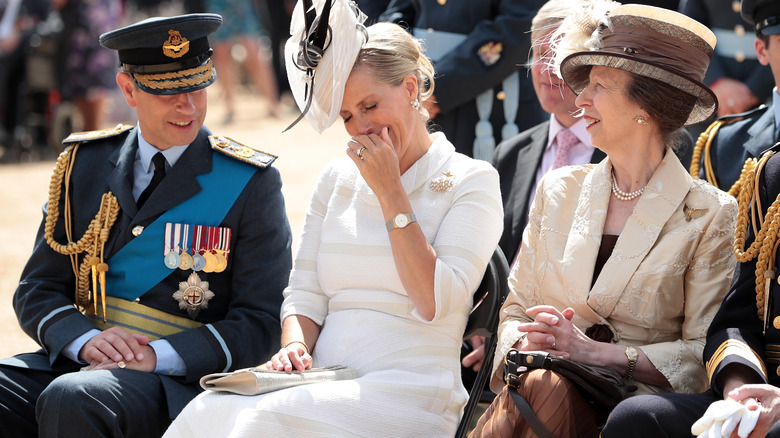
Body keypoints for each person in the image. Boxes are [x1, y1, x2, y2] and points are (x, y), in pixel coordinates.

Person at [162, 2, 504, 436]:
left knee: (261, 424)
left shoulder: (471, 180)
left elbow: (437, 304)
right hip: (323, 378)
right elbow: (305, 292)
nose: (360, 127)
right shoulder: (337, 178)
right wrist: (294, 347)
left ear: (411, 88)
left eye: (371, 105)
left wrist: (390, 194)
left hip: (412, 390)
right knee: (207, 411)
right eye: (346, 116)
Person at [0, 13, 292, 437]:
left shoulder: (250, 181)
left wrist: (160, 355)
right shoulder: (83, 164)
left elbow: (261, 320)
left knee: (74, 397)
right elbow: (38, 289)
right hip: (86, 361)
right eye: (168, 92)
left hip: (180, 381)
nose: (188, 106)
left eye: (197, 85)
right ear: (128, 90)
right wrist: (84, 340)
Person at [468, 2, 739, 437]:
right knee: (544, 383)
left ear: (645, 106)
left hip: (630, 416)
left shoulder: (710, 213)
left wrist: (594, 353)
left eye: (599, 85)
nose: (580, 99)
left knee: (544, 386)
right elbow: (515, 308)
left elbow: (702, 354)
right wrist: (527, 339)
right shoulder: (559, 190)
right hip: (538, 388)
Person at [602, 1, 780, 436]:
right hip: (763, 385)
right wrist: (740, 384)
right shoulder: (771, 172)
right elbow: (738, 313)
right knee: (637, 419)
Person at [379, 0, 547, 161]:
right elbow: (398, 16)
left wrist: (436, 89)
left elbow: (518, 28)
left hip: (491, 104)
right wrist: (397, 76)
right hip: (417, 94)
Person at [689, 0, 780, 198]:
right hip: (713, 100)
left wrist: (755, 88)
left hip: (765, 90)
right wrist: (715, 80)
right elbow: (691, 27)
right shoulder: (719, 143)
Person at [203, 0, 283, 123]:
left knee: (254, 54)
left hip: (242, 5)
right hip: (219, 4)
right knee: (222, 55)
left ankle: (273, 104)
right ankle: (229, 107)